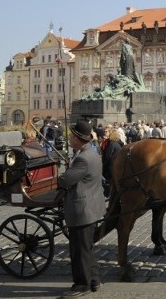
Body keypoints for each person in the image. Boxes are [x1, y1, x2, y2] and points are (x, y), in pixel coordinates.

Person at [58, 120, 106, 297]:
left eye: (71, 136)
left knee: (79, 250)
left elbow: (64, 180)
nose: (70, 138)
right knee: (86, 248)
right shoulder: (92, 153)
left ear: (78, 139)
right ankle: (94, 280)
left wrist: (67, 171)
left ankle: (82, 285)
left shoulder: (82, 159)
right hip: (92, 206)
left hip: (82, 209)